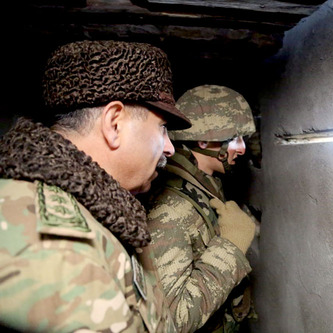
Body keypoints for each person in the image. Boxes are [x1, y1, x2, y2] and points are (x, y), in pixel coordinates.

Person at [0, 40, 192, 332]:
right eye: (162, 128)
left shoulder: (91, 210)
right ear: (114, 123)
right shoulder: (55, 242)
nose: (169, 148)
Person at [142, 85, 258, 333]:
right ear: (204, 140)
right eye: (235, 138)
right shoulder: (171, 208)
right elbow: (174, 319)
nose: (242, 148)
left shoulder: (204, 179)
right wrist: (231, 246)